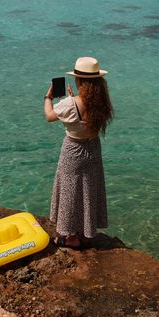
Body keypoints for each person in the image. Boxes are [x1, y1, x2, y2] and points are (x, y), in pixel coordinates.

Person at [44, 57, 113, 249]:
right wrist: (72, 99)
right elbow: (84, 114)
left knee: (69, 189)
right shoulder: (101, 103)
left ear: (79, 80)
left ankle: (71, 236)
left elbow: (49, 116)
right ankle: (86, 233)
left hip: (73, 150)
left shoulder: (70, 104)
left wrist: (48, 97)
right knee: (88, 188)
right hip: (93, 149)